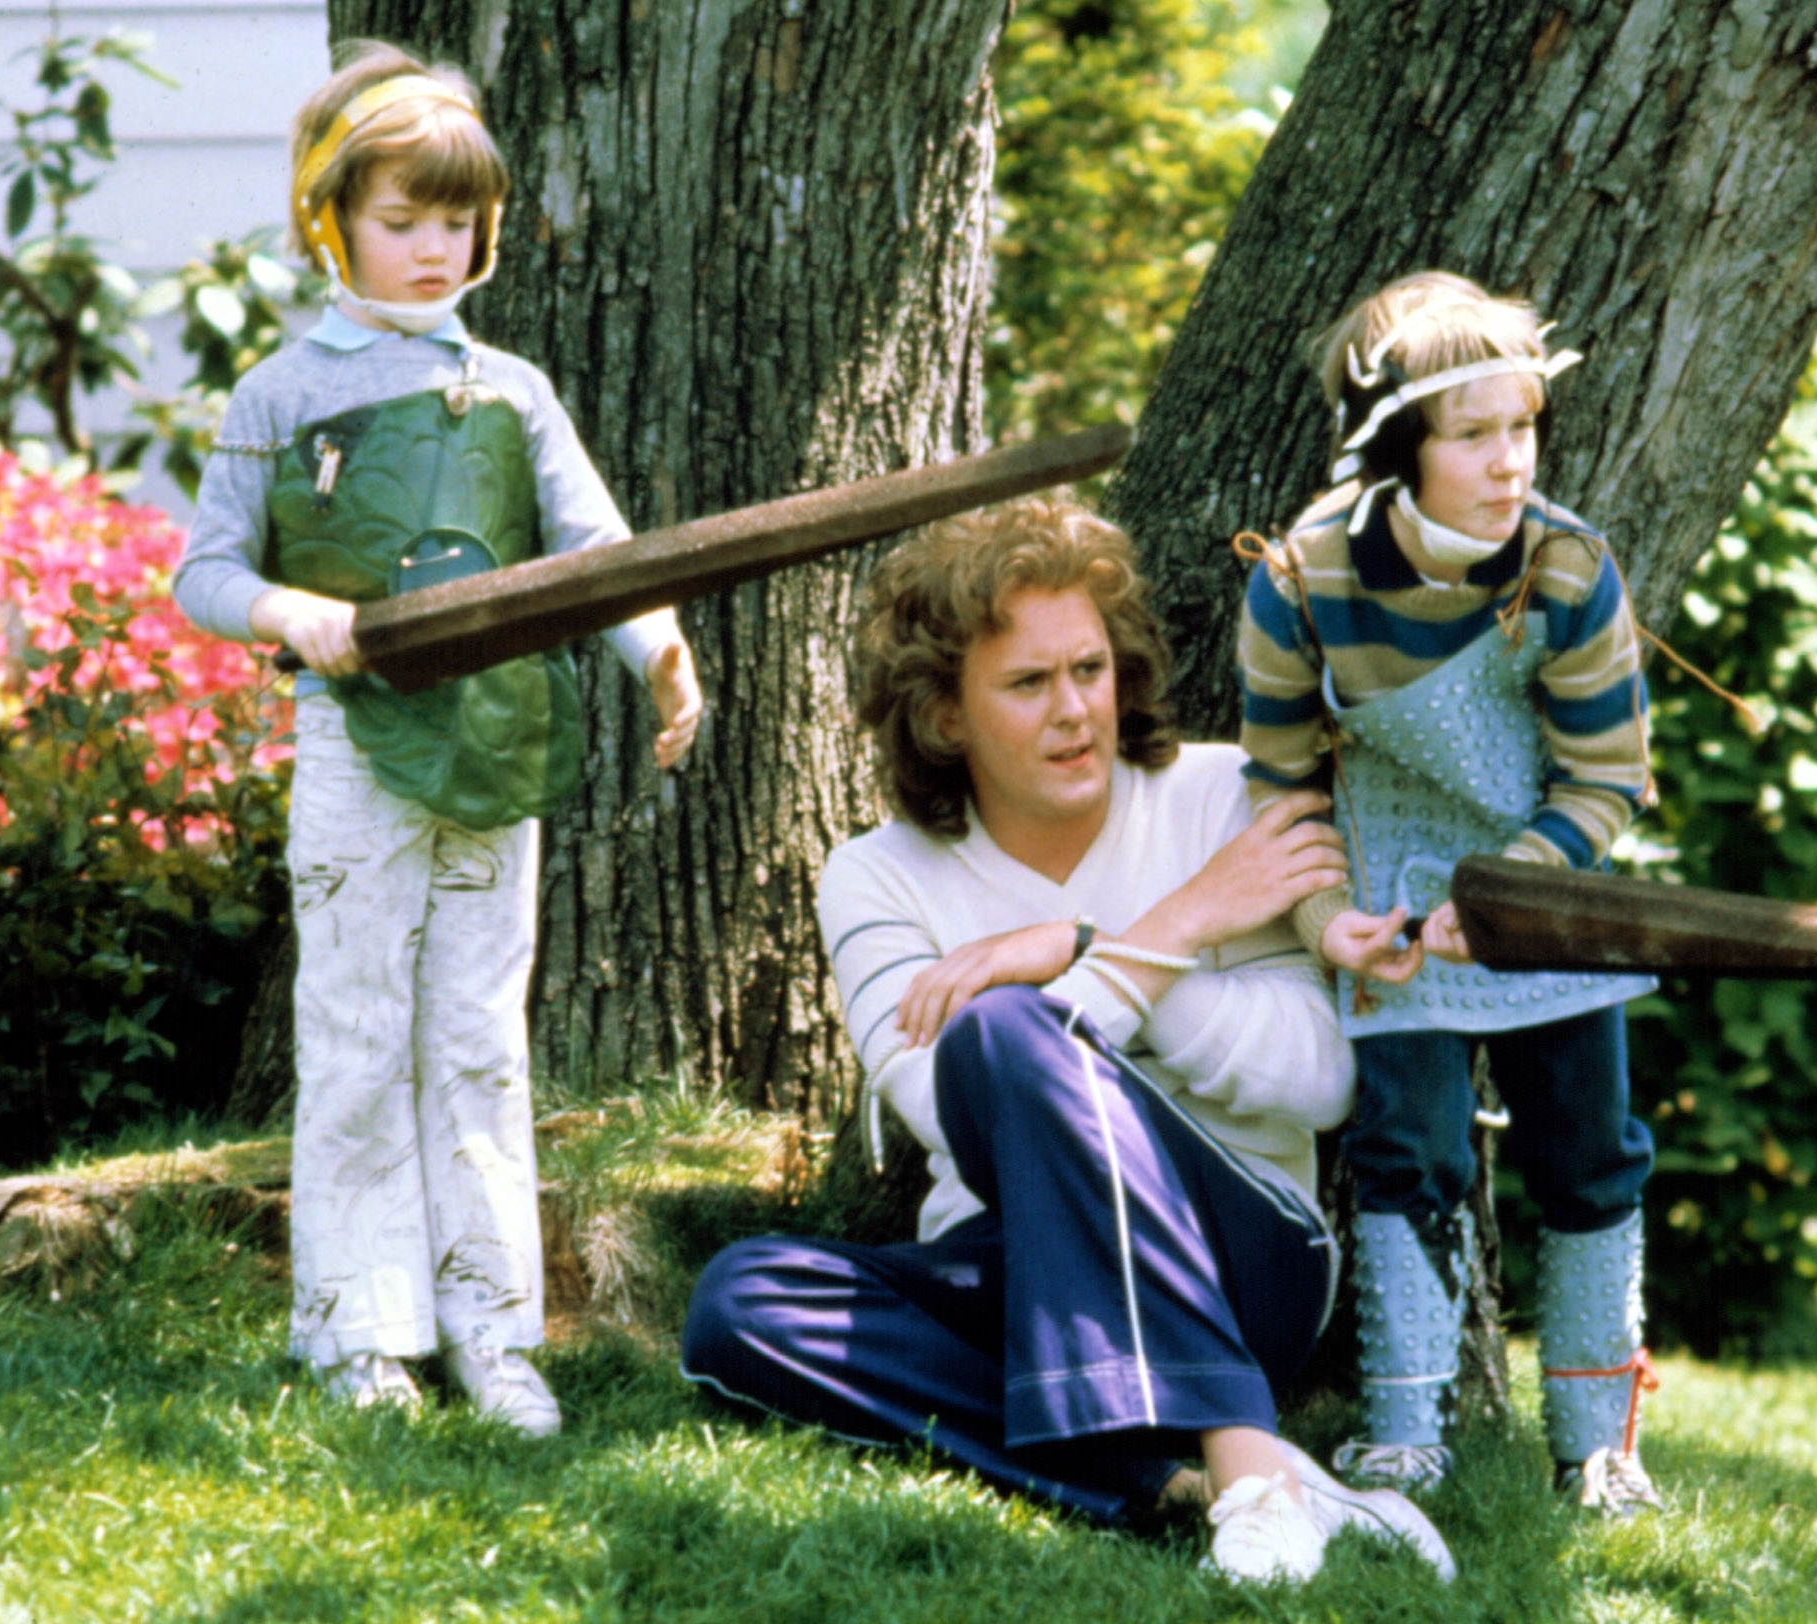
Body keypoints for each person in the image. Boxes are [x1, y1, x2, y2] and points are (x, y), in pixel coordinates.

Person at [680, 499, 1454, 1587]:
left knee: (1004, 1021)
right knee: (739, 1303)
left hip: (1245, 1261)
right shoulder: (875, 876)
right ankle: (1181, 1480)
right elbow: (941, 1107)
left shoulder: (1226, 800)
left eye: (1087, 669)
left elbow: (1322, 1080)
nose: (1074, 711)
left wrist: (1076, 949)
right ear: (945, 716)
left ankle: (1240, 1458)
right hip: (1011, 1273)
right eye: (1027, 684)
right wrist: (1170, 931)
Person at [173, 41, 702, 1436]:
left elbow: (589, 547)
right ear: (328, 218)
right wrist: (294, 612)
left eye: (455, 221)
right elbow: (203, 572)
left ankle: (492, 1328)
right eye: (400, 219)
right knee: (353, 1030)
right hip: (356, 748)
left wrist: (657, 648)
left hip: (497, 742)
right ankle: (356, 1329)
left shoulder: (515, 392)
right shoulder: (279, 395)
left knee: (477, 1034)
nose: (431, 247)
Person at [1235, 272, 1663, 1514]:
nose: (1507, 460)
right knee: (1404, 1153)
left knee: (1591, 1156)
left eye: (1521, 426)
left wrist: (1520, 886)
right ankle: (1402, 1431)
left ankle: (1597, 1444)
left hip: (1544, 891)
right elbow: (1282, 787)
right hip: (1390, 896)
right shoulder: (1302, 584)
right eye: (1472, 434)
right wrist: (1327, 924)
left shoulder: (1569, 567)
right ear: (1397, 444)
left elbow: (1606, 777)